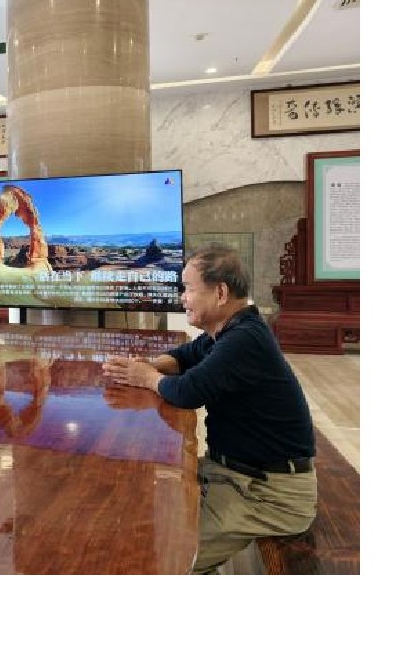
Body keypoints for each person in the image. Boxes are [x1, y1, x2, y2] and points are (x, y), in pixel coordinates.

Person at [102, 245, 316, 574]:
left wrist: (146, 377)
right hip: (237, 474)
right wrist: (147, 366)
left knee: (161, 555)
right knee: (145, 500)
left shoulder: (244, 339)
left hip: (269, 494)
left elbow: (187, 392)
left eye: (188, 289)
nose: (182, 298)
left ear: (220, 293)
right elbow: (185, 356)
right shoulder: (229, 331)